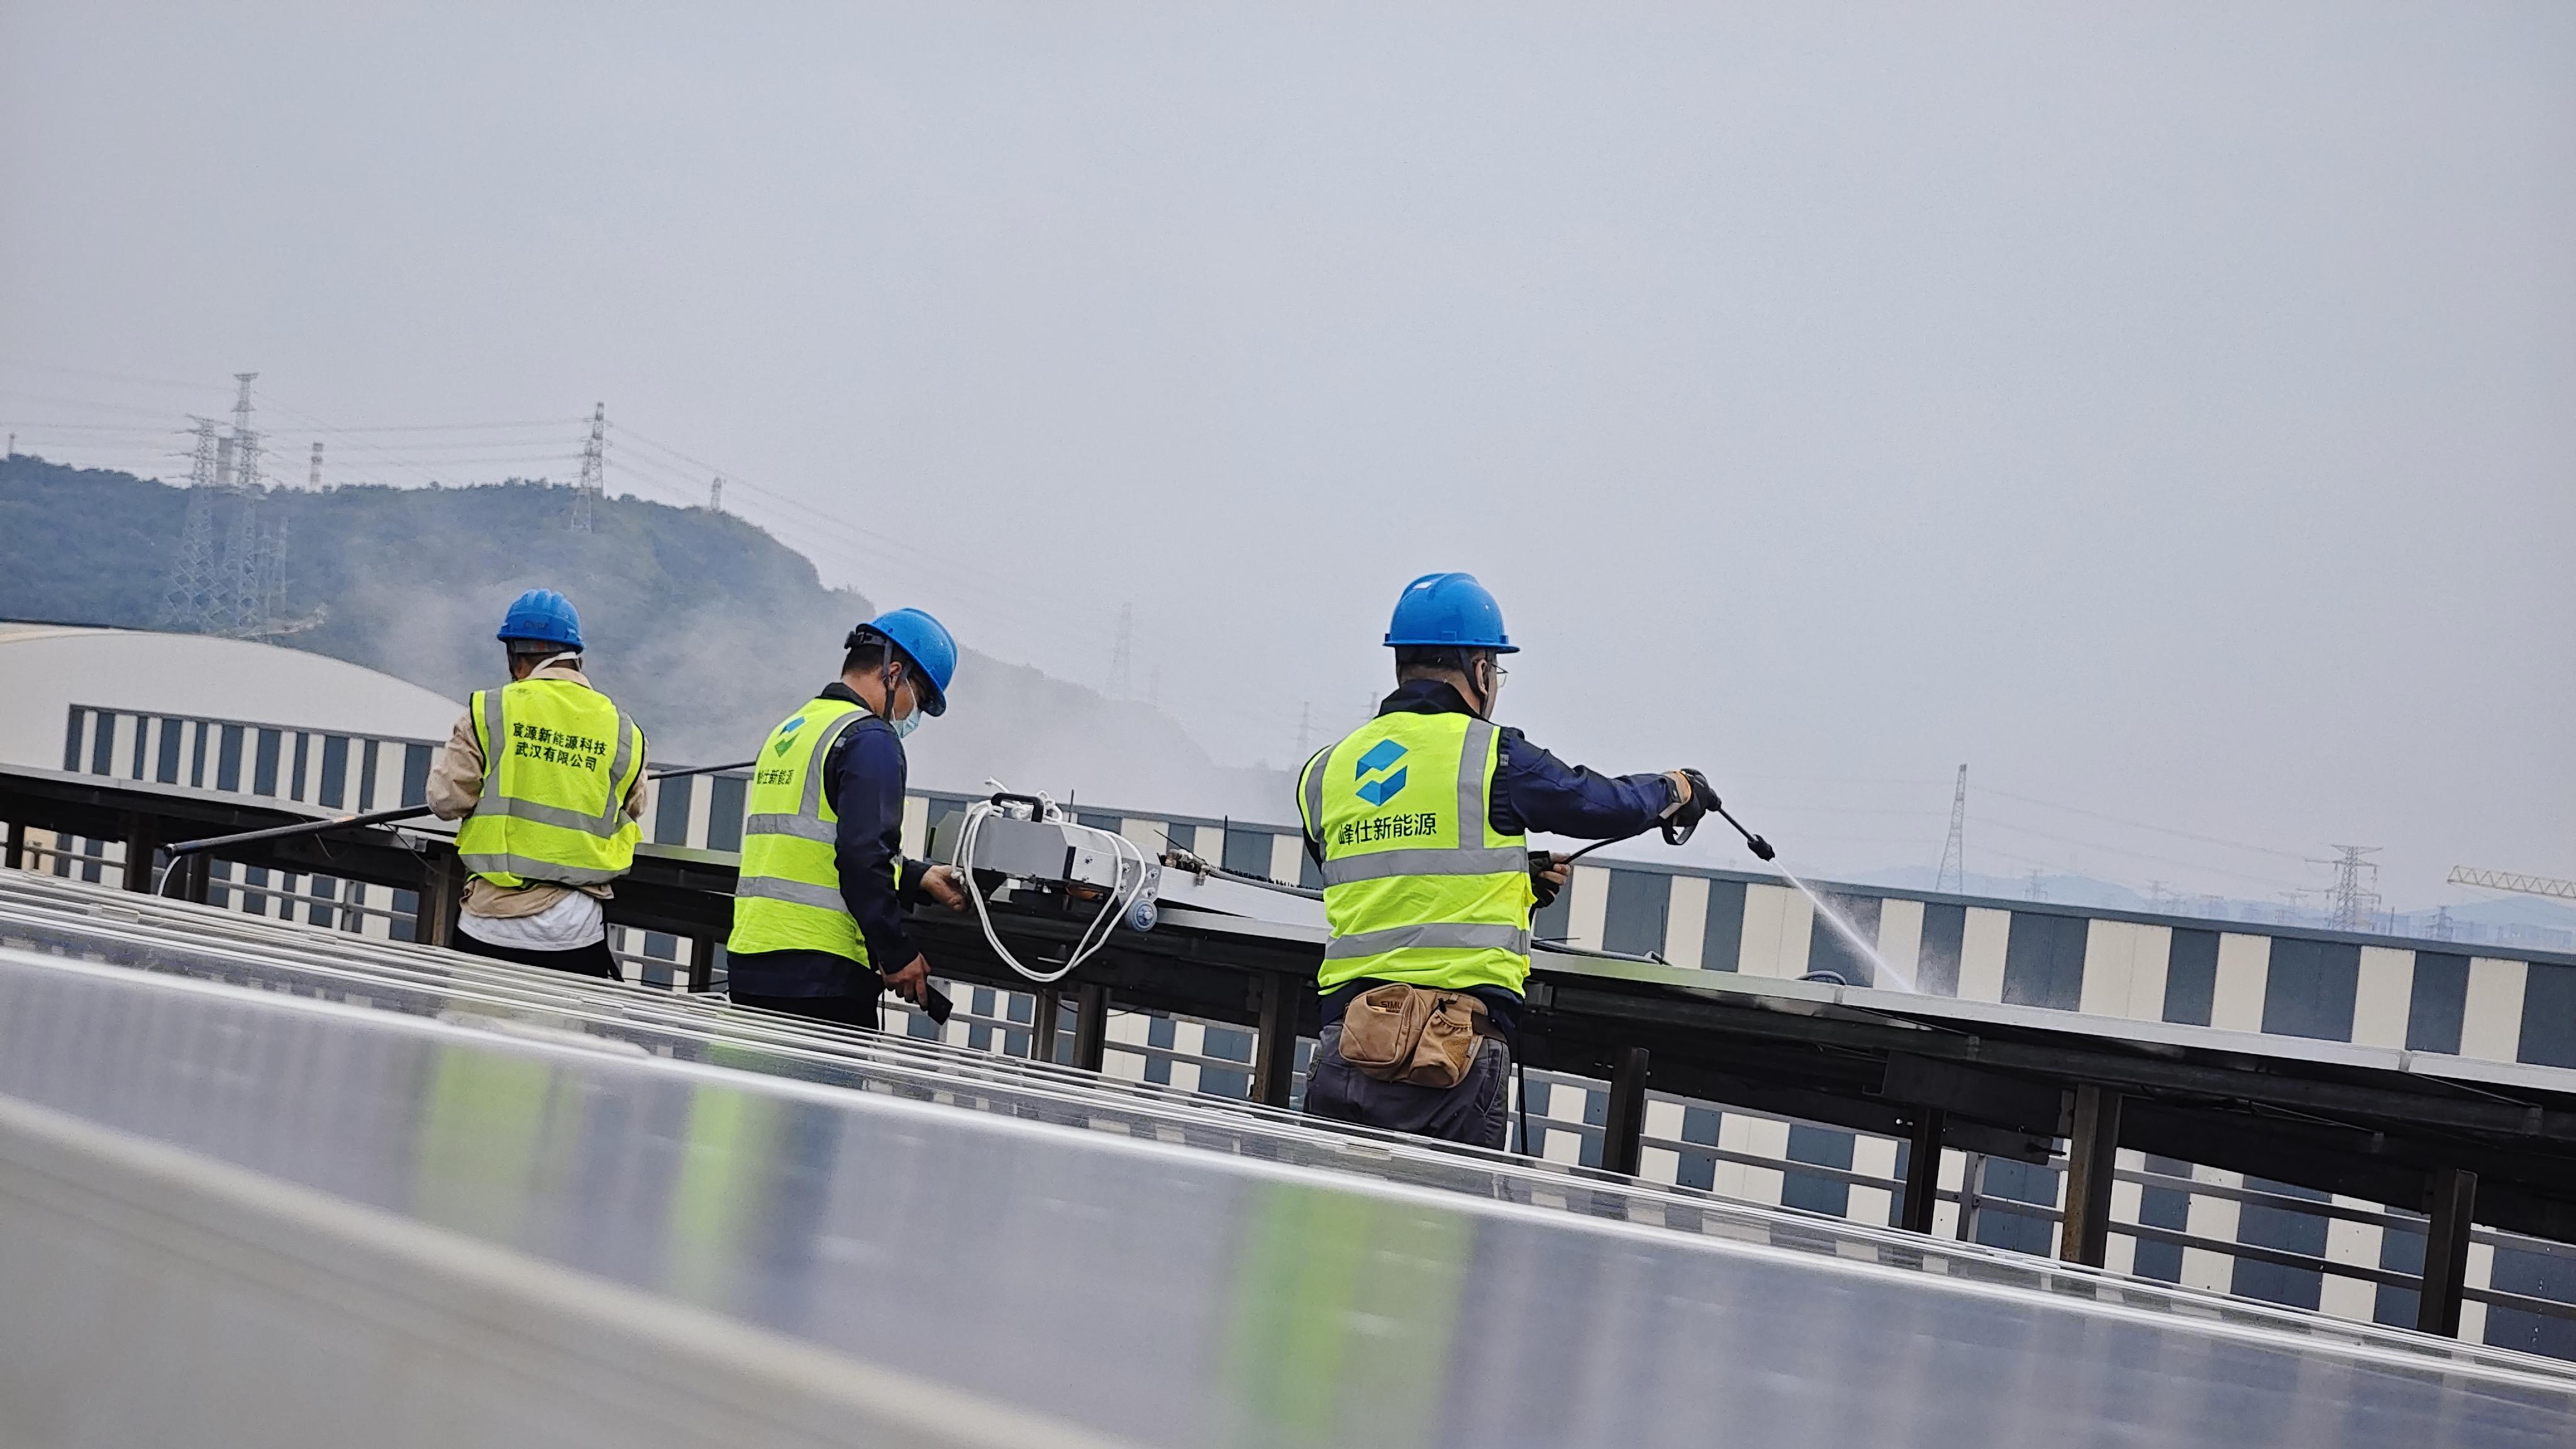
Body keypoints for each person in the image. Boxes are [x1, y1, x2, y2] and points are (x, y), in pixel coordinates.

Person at [1294, 571, 1719, 1150]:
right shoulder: (1493, 756)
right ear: (1479, 670)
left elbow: (1387, 879)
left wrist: (1515, 879)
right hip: (1449, 1059)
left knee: (1333, 1229)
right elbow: (1603, 806)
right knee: (1440, 1232)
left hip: (1349, 1045)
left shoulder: (1326, 770)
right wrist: (1676, 789)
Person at [725, 608, 972, 1027]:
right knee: (819, 1095)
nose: (913, 714)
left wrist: (915, 877)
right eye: (922, 699)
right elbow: (862, 857)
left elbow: (813, 841)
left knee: (758, 1090)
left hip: (753, 957)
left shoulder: (795, 728)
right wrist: (898, 954)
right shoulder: (869, 738)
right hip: (822, 974)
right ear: (894, 673)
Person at [426, 588, 648, 978]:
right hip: (576, 930)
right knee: (563, 1039)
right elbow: (632, 807)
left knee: (473, 1035)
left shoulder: (490, 710)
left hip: (490, 922)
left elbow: (446, 801)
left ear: (516, 657)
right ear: (576, 657)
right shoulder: (624, 730)